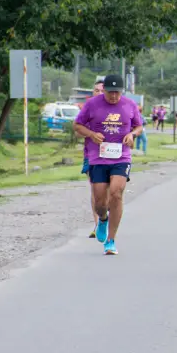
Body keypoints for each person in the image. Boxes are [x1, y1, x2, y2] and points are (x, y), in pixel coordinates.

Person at [73, 74, 143, 256]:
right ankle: (103, 219)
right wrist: (91, 134)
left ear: (122, 91)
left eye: (117, 93)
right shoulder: (92, 104)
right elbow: (77, 125)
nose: (113, 96)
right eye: (110, 92)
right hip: (98, 157)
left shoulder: (129, 105)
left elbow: (139, 126)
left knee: (116, 193)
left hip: (121, 157)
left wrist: (132, 135)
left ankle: (111, 241)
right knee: (99, 202)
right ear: (103, 90)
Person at [83, 79, 106, 238]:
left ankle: (106, 219)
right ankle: (97, 224)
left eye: (102, 90)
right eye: (96, 90)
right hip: (91, 155)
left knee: (110, 192)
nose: (99, 93)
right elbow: (78, 129)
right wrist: (90, 133)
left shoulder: (116, 108)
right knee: (95, 189)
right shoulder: (88, 108)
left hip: (112, 155)